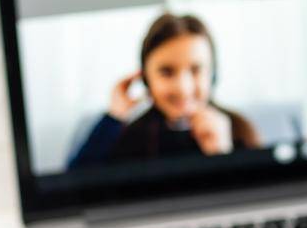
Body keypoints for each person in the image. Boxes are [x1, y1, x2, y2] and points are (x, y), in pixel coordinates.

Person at [69, 13, 262, 167]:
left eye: (196, 70)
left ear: (212, 74)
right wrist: (114, 117)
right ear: (146, 78)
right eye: (166, 72)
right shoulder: (129, 137)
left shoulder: (240, 130)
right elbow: (75, 190)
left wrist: (221, 154)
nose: (183, 89)